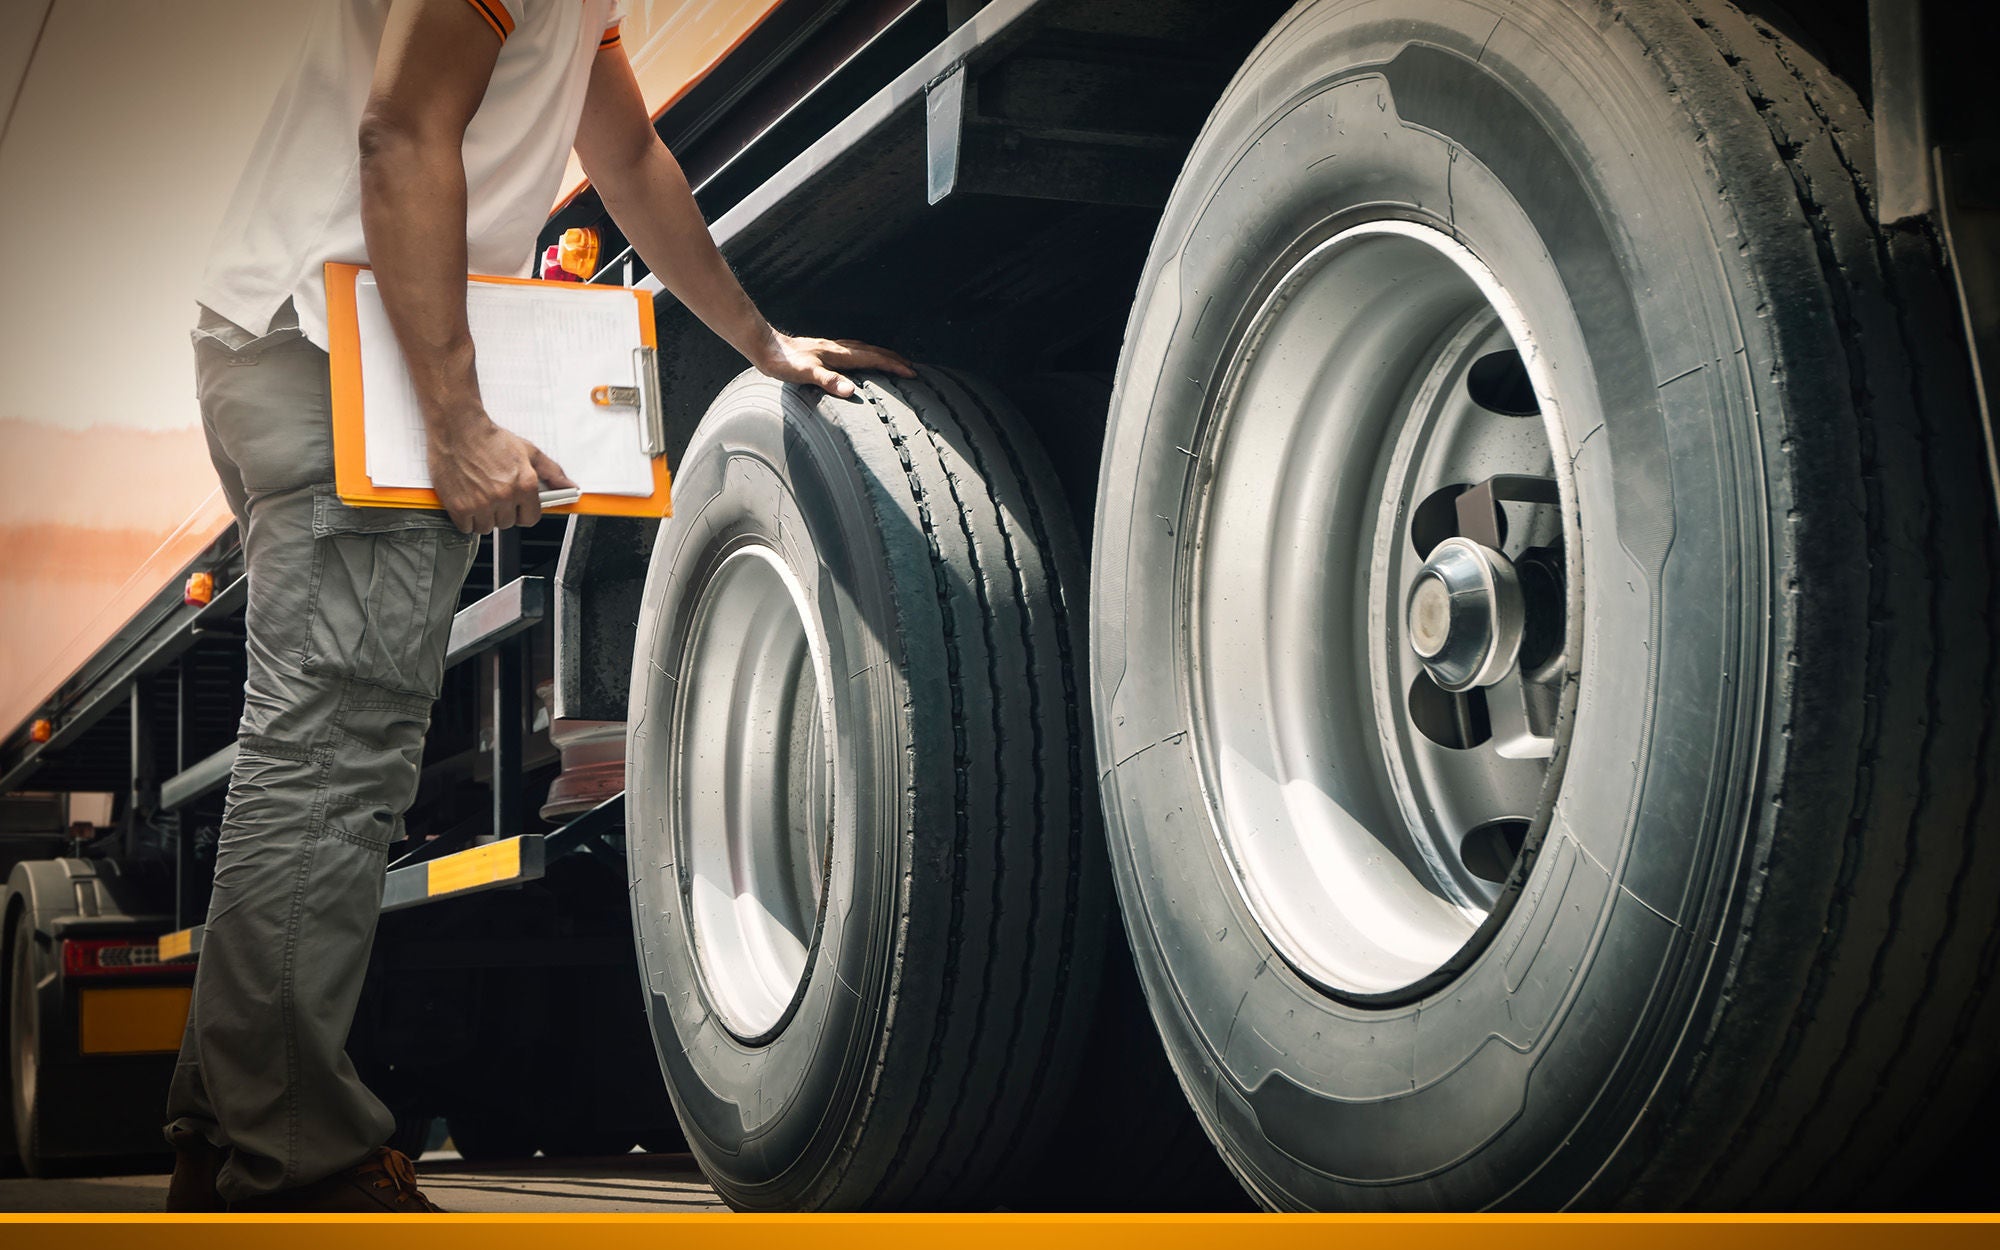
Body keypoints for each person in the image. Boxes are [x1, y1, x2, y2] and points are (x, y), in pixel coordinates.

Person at [165, 0, 913, 1213]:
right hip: (335, 354)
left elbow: (627, 159)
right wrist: (459, 420)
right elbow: (399, 136)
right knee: (333, 756)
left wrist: (755, 336)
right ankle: (292, 1154)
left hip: (302, 342)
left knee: (311, 748)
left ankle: (228, 1126)